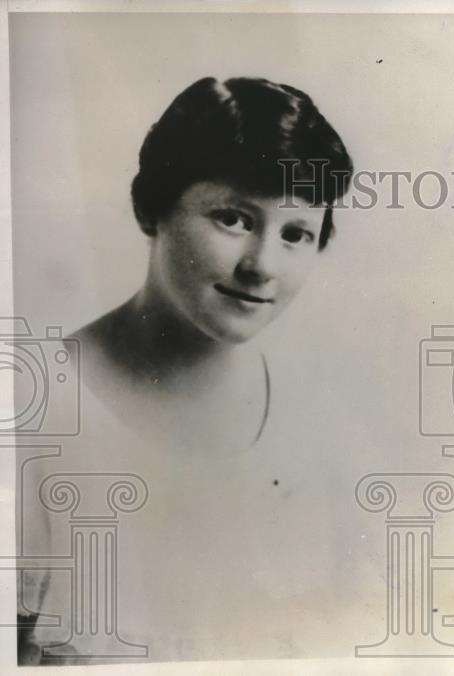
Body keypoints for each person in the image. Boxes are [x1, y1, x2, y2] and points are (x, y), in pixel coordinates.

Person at [18, 76, 354, 663]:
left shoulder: (319, 426)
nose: (262, 266)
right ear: (152, 208)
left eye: (297, 233)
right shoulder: (33, 411)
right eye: (233, 219)